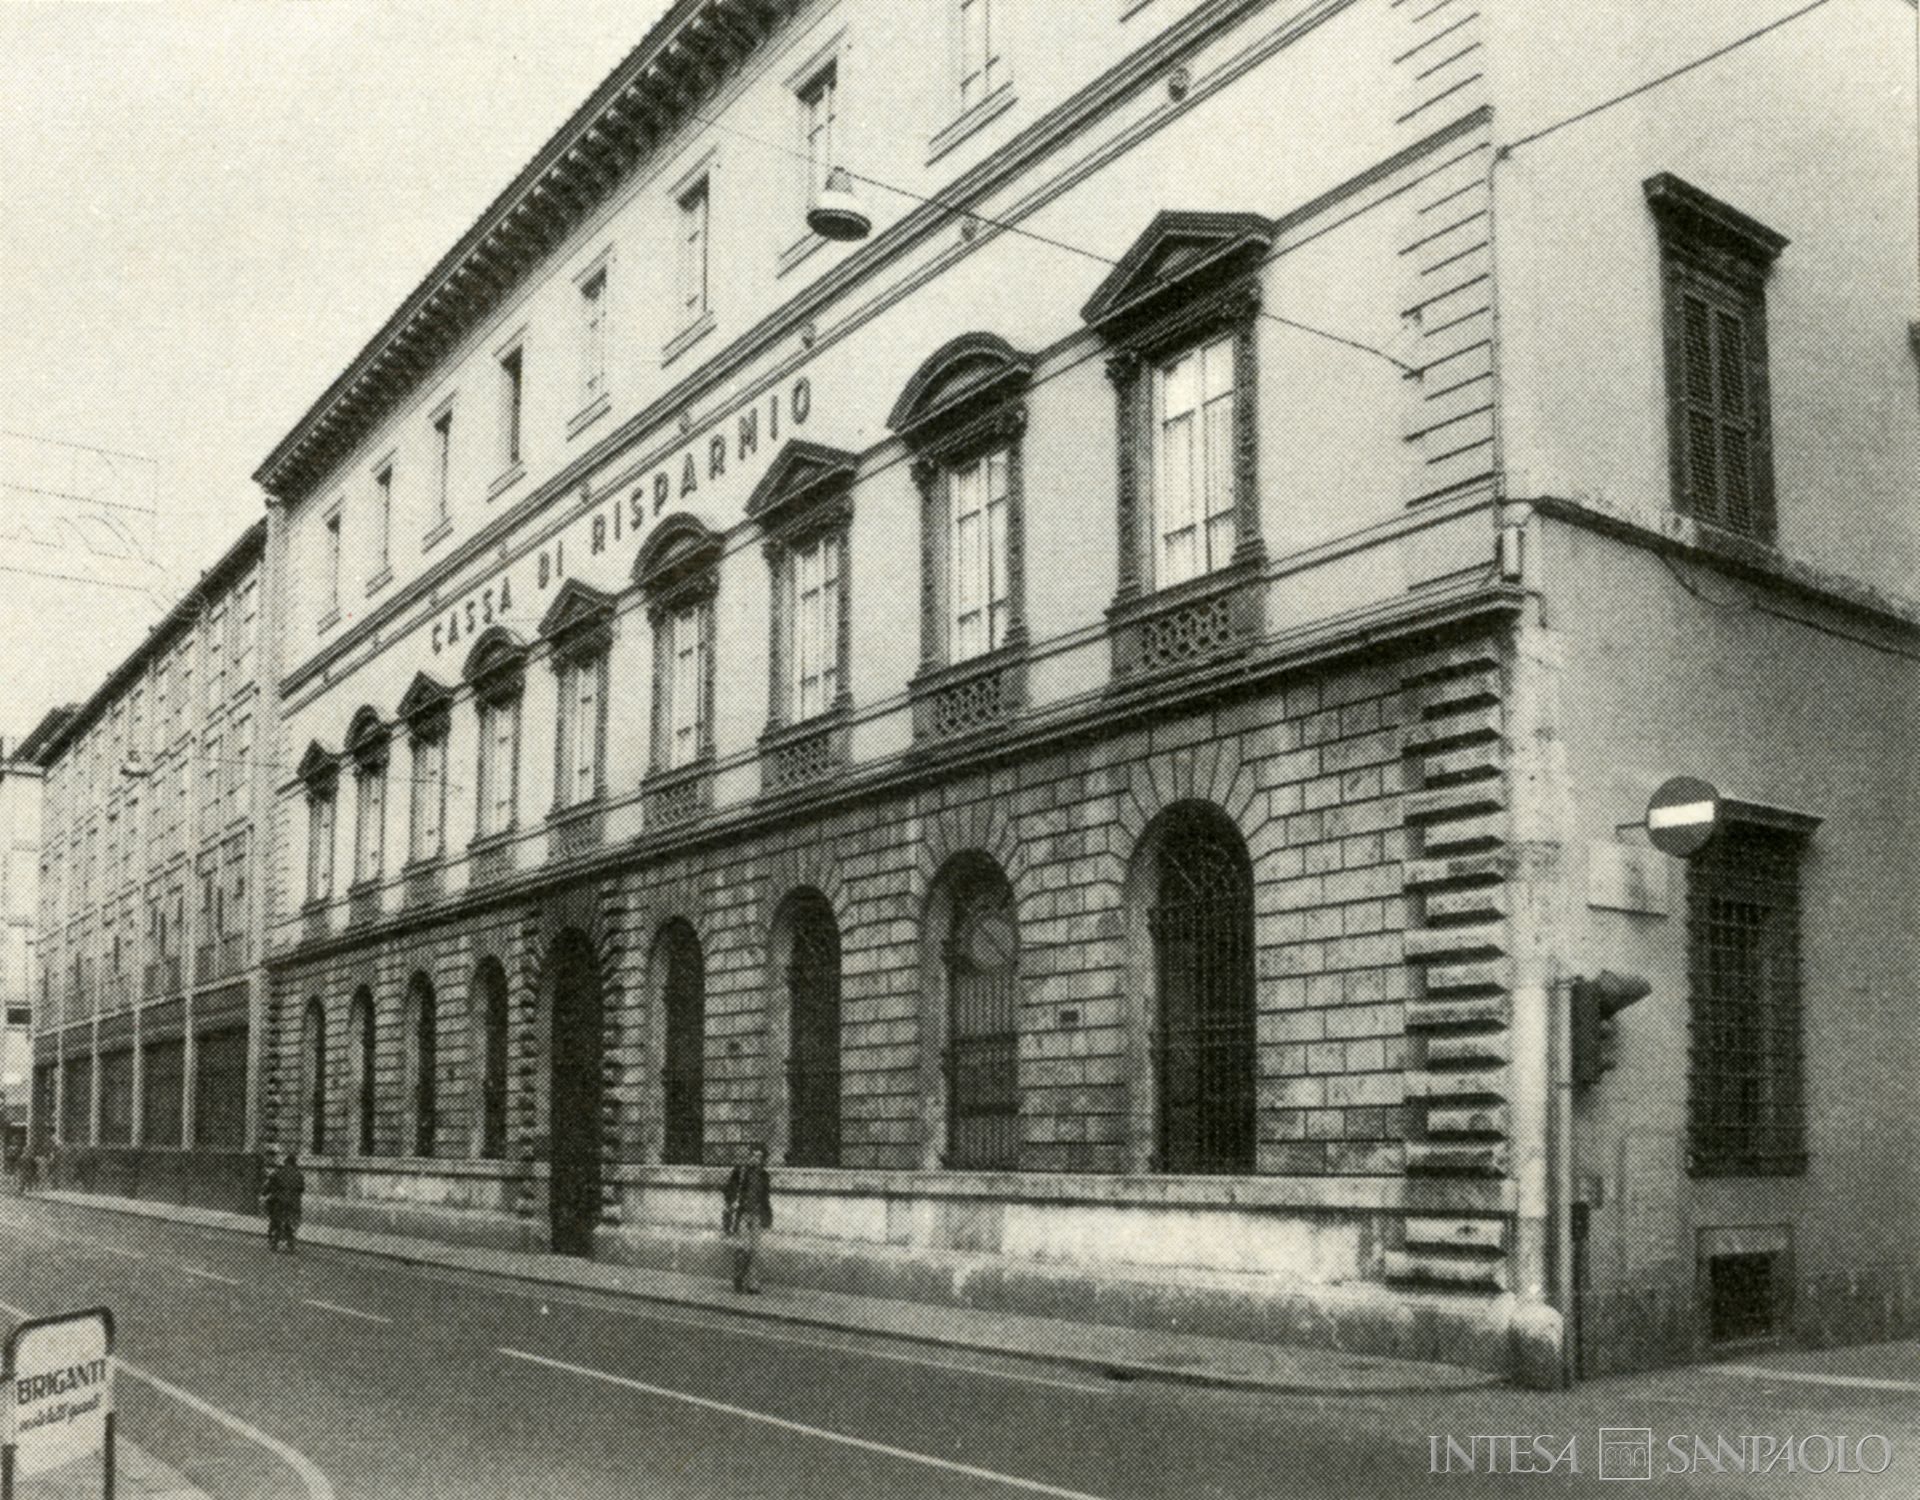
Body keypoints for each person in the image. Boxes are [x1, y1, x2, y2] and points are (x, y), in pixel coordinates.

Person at [722, 1142, 773, 1294]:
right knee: (743, 1248)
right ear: (749, 1156)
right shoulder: (740, 1172)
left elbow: (765, 1198)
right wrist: (733, 1201)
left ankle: (753, 1285)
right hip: (743, 1214)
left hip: (757, 1215)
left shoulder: (765, 1176)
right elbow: (728, 1190)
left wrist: (768, 1217)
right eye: (754, 1155)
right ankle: (738, 1279)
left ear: (763, 1159)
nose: (756, 1159)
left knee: (755, 1251)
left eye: (760, 1156)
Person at [262, 1151, 306, 1253]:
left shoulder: (278, 1172)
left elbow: (268, 1185)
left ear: (285, 1162)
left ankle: (274, 1244)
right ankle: (291, 1246)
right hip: (294, 1203)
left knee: (277, 1220)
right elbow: (302, 1189)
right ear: (295, 1163)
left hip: (280, 1201)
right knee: (290, 1223)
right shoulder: (299, 1174)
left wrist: (264, 1193)